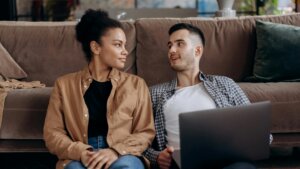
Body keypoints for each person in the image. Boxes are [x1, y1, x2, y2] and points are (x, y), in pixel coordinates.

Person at [43, 9, 155, 169]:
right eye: (118, 45)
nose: (125, 51)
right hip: (80, 156)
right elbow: (52, 133)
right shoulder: (64, 85)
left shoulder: (137, 85)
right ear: (96, 47)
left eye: (125, 45)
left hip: (123, 154)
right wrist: (81, 152)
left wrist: (115, 151)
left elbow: (145, 132)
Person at [143, 23, 257, 169]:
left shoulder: (224, 84)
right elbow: (139, 141)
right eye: (170, 45)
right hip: (180, 164)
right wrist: (157, 157)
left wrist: (249, 143)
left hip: (226, 161)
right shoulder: (155, 93)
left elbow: (255, 129)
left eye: (180, 44)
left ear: (197, 51)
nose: (171, 50)